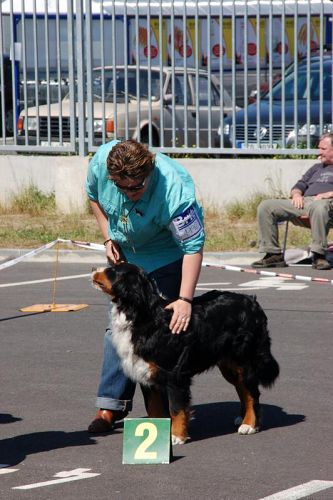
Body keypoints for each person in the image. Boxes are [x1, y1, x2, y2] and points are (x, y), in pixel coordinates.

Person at [86, 139, 205, 433]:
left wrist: (185, 300)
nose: (128, 193)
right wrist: (107, 237)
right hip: (126, 255)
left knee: (159, 334)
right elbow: (93, 197)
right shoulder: (100, 162)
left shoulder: (175, 192)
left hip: (165, 257)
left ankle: (164, 415)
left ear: (149, 173)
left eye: (136, 187)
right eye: (120, 187)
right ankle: (110, 406)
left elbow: (193, 247)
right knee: (118, 328)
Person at [252, 132, 333, 271]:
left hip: (327, 205)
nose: (319, 152)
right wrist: (296, 195)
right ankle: (273, 254)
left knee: (319, 206)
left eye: (323, 149)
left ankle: (319, 255)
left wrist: (328, 194)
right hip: (305, 202)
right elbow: (300, 185)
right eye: (319, 148)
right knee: (266, 206)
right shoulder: (316, 168)